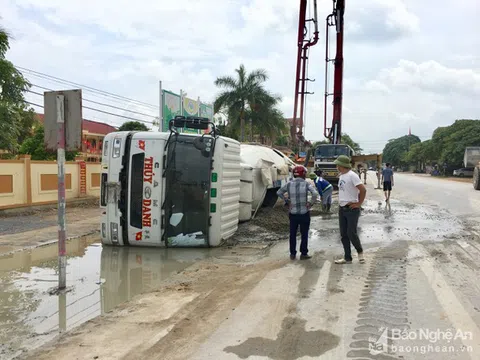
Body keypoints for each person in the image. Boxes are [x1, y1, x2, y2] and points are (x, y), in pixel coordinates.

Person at [277, 165, 319, 260]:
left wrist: (287, 201)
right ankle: (303, 254)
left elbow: (279, 192)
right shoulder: (306, 184)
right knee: (304, 234)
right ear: (304, 174)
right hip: (304, 213)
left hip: (293, 213)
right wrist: (310, 203)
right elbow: (315, 193)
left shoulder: (289, 184)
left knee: (292, 234)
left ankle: (292, 254)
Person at [334, 155, 367, 264]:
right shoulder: (341, 176)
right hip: (342, 208)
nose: (336, 166)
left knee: (351, 232)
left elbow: (363, 190)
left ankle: (360, 252)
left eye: (337, 164)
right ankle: (347, 257)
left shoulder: (352, 175)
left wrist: (359, 203)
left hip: (352, 209)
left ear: (342, 165)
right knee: (344, 234)